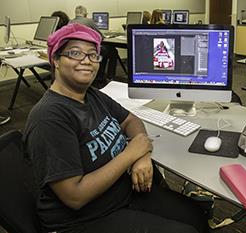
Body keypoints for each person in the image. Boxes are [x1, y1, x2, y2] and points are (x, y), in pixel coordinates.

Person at [23, 23, 208, 233]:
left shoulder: (91, 95)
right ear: (55, 60)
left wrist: (142, 156)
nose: (86, 61)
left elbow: (131, 120)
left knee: (195, 215)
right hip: (83, 219)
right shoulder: (49, 118)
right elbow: (75, 196)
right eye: (74, 53)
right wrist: (131, 154)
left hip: (119, 192)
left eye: (93, 55)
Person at [70, 5, 118, 88]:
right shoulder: (89, 21)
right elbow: (100, 36)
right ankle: (110, 77)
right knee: (113, 50)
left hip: (77, 50)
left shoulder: (70, 22)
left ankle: (100, 76)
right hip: (89, 50)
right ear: (85, 14)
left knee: (104, 51)